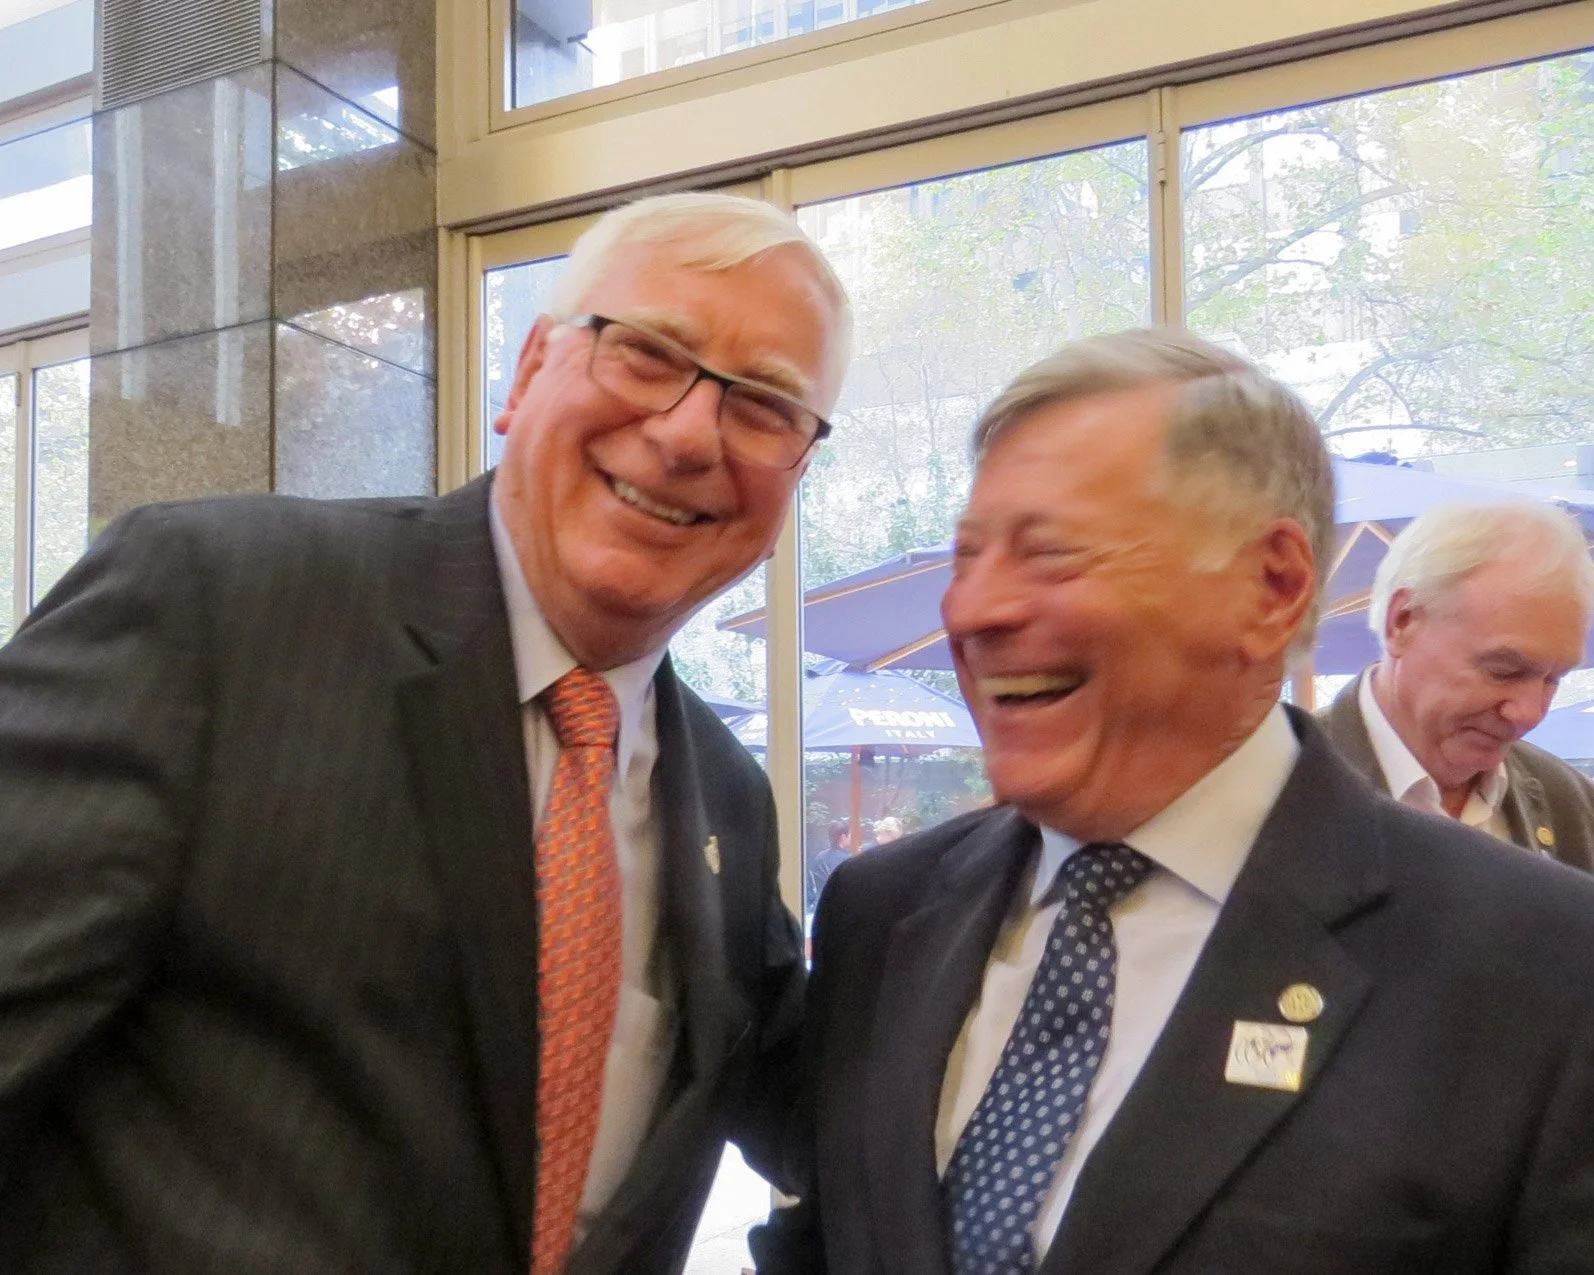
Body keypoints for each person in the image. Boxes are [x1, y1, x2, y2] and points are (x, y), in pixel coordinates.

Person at [0, 192, 851, 1275]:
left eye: (766, 405)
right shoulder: (216, 611)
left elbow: (853, 1124)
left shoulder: (728, 799)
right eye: (645, 354)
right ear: (530, 370)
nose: (689, 432)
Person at [751, 330, 1594, 1275]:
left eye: (1054, 554)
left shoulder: (1544, 970)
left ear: (1270, 588)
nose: (970, 612)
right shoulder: (884, 914)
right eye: (968, 558)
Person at [1320, 501, 1594, 870]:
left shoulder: (1572, 806)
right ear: (1401, 622)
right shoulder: (1277, 789)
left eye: (1552, 680)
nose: (1529, 713)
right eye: (1504, 671)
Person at [807, 822, 853, 912]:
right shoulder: (847, 860)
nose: (851, 838)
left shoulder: (820, 857)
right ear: (843, 837)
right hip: (841, 908)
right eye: (850, 835)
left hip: (821, 906)